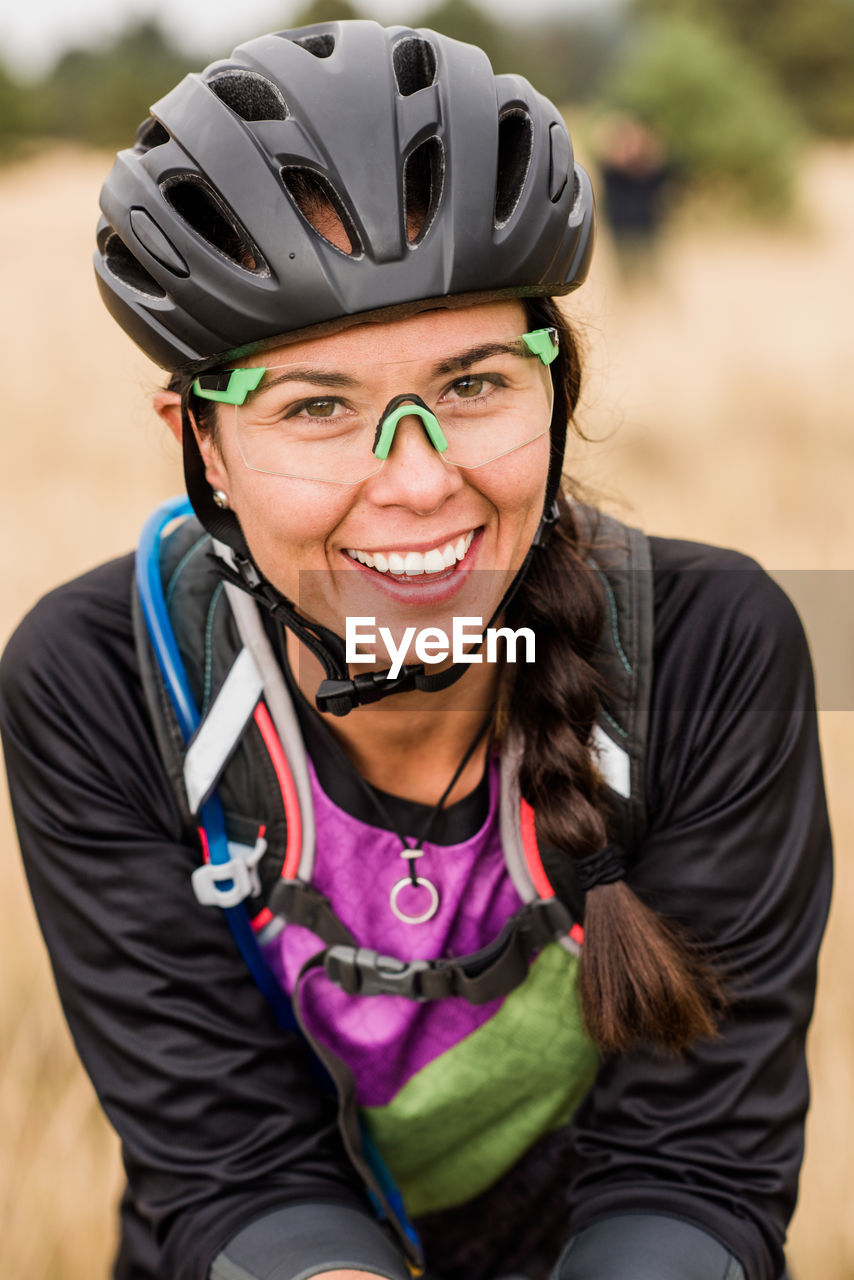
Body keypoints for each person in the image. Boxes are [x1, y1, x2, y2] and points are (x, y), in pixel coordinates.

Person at [0, 20, 831, 1280]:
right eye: (316, 407)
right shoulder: (99, 677)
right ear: (199, 441)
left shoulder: (712, 649)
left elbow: (695, 1163)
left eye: (475, 383)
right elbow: (233, 1168)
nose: (418, 480)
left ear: (557, 385)